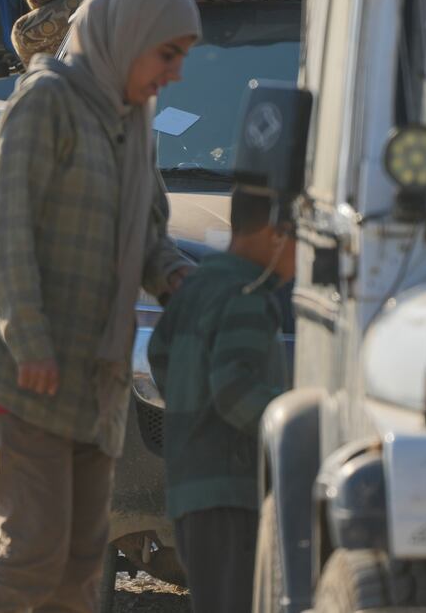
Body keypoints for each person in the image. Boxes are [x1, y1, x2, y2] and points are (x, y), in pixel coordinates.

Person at [0, 0, 201, 613]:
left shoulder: (132, 118)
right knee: (36, 550)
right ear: (127, 38)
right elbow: (5, 235)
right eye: (168, 55)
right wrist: (32, 344)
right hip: (22, 366)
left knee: (83, 559)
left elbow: (150, 232)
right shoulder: (46, 100)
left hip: (90, 369)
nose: (175, 75)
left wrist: (179, 281)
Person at [147, 188, 292, 613]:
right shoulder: (248, 294)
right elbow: (234, 390)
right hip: (233, 492)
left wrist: (195, 414)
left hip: (191, 488)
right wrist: (290, 423)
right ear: (275, 234)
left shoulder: (197, 285)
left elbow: (159, 356)